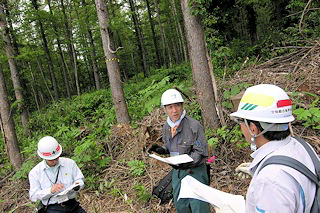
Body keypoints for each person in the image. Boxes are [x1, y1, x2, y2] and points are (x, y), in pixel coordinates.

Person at [220, 84, 317, 213]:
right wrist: (261, 170)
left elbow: (277, 183)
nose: (240, 126)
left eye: (240, 120)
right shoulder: (302, 146)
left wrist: (266, 177)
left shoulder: (270, 181)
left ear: (253, 128)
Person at [148, 88, 210, 213]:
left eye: (177, 106)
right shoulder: (167, 127)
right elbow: (171, 147)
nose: (174, 110)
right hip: (177, 174)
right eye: (170, 107)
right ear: (165, 109)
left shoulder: (194, 126)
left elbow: (200, 152)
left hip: (195, 173)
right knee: (181, 206)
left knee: (199, 207)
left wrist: (187, 162)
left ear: (182, 106)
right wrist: (161, 150)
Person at [28, 136, 87, 213]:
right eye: (51, 160)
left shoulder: (69, 163)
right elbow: (33, 196)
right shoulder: (35, 173)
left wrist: (77, 186)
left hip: (72, 205)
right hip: (52, 208)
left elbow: (79, 179)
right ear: (44, 158)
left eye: (56, 158)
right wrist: (50, 191)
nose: (55, 161)